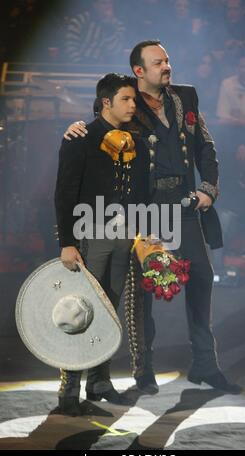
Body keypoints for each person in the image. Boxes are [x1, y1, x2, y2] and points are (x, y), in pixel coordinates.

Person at [64, 40, 242, 395]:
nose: (166, 66)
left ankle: (205, 364)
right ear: (139, 70)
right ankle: (143, 371)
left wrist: (208, 188)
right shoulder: (127, 101)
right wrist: (75, 129)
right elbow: (99, 124)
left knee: (202, 278)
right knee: (141, 292)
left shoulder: (185, 97)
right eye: (158, 62)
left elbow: (206, 145)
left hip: (185, 204)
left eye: (167, 60)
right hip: (144, 209)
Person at [55, 73, 150, 415]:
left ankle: (99, 381)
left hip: (123, 235)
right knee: (81, 309)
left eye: (134, 99)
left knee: (108, 309)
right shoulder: (81, 138)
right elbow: (65, 192)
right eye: (126, 99)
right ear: (106, 102)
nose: (132, 105)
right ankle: (70, 387)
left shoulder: (133, 140)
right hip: (90, 234)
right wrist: (67, 242)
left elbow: (137, 192)